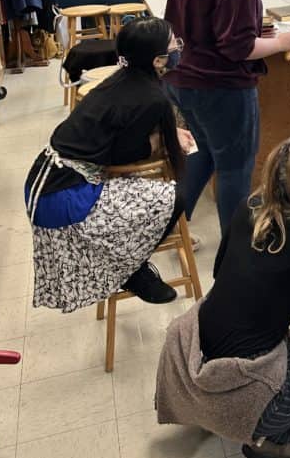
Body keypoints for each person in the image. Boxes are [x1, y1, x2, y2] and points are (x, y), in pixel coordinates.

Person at [156, 135, 290, 458]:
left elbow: (222, 274)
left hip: (196, 366)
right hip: (251, 397)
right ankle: (277, 436)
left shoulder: (249, 207)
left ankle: (256, 424)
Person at [25, 18, 192, 310]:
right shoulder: (152, 97)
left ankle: (132, 268)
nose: (178, 46)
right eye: (173, 44)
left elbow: (117, 137)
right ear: (157, 60)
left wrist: (167, 133)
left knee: (157, 194)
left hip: (46, 180)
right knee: (175, 197)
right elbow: (124, 153)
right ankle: (133, 272)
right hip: (61, 198)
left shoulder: (122, 79)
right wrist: (158, 142)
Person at [164, 0, 290, 231]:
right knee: (235, 168)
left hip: (182, 78)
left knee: (206, 154)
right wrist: (280, 41)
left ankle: (168, 229)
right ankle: (235, 252)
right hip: (220, 86)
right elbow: (237, 47)